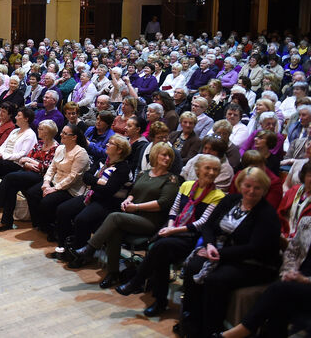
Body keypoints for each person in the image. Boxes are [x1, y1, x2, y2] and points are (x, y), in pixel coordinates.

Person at [178, 167, 282, 337]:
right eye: (247, 186)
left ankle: (211, 330)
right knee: (193, 266)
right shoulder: (231, 200)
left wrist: (219, 254)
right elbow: (209, 226)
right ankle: (191, 320)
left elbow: (255, 248)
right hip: (222, 252)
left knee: (215, 280)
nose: (251, 191)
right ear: (240, 184)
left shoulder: (267, 214)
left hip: (255, 263)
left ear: (264, 190)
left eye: (257, 188)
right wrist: (210, 245)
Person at [116, 155, 225, 316]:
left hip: (193, 238)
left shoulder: (218, 196)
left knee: (160, 247)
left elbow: (202, 223)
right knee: (161, 253)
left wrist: (172, 231)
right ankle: (157, 300)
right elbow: (174, 210)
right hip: (173, 230)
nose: (211, 172)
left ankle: (138, 283)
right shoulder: (187, 185)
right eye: (207, 168)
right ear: (198, 169)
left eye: (215, 169)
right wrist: (170, 226)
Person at [68, 143, 181, 290]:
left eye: (169, 156)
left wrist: (137, 207)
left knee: (115, 217)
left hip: (150, 221)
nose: (167, 158)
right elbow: (133, 192)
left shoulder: (171, 179)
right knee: (115, 231)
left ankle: (90, 248)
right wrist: (128, 200)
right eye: (164, 154)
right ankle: (113, 273)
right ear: (155, 155)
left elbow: (163, 203)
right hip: (133, 216)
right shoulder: (144, 173)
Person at [216, 216, 311, 338]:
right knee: (280, 303)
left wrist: (304, 280)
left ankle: (240, 331)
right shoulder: (306, 222)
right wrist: (289, 272)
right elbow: (291, 252)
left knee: (278, 290)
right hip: (294, 280)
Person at [50, 134, 131, 261]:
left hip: (107, 203)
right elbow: (85, 177)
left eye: (111, 143)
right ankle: (64, 247)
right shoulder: (103, 160)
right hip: (92, 196)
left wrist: (93, 183)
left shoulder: (123, 168)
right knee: (63, 209)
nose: (106, 145)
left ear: (119, 150)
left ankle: (81, 255)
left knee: (81, 219)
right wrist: (98, 182)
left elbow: (108, 190)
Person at [0, 120, 59, 231]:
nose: (38, 130)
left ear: (48, 132)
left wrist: (30, 161)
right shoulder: (39, 144)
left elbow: (47, 167)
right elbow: (22, 160)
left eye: (41, 129)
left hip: (42, 177)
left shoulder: (56, 148)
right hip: (29, 171)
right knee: (11, 186)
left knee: (10, 177)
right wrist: (29, 163)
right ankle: (6, 222)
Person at [23, 122, 91, 238]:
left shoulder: (81, 153)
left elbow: (73, 177)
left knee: (46, 202)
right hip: (55, 182)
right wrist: (46, 182)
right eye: (62, 132)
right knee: (32, 193)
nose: (61, 135)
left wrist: (54, 188)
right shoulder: (60, 148)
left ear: (74, 137)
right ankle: (42, 224)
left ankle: (52, 228)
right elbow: (52, 168)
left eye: (65, 133)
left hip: (71, 189)